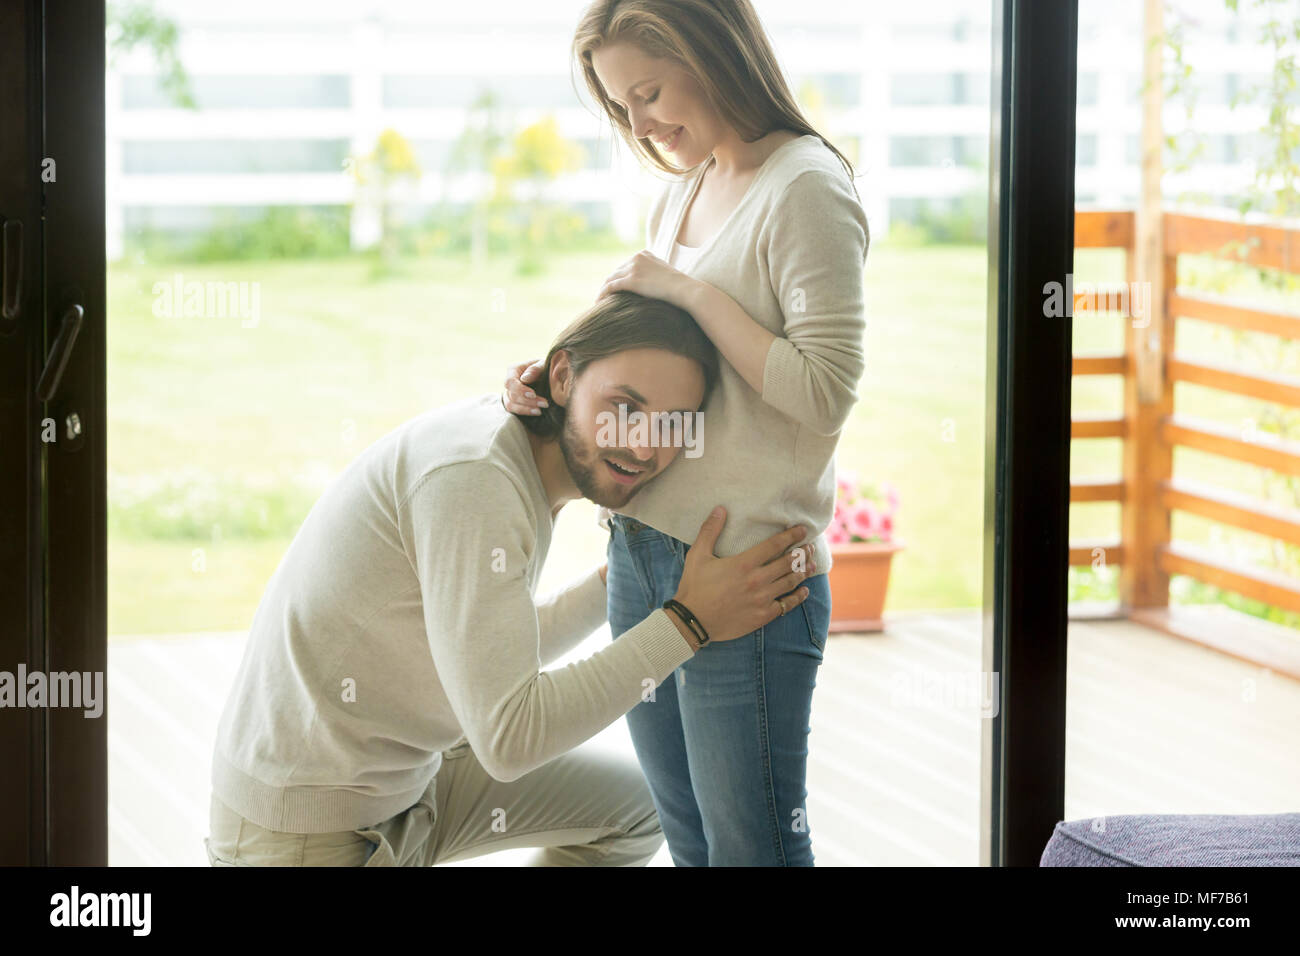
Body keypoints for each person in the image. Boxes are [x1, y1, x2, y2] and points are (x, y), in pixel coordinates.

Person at [204, 291, 817, 867]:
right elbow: (509, 737)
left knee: (636, 812)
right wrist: (688, 623)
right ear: (561, 377)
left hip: (405, 784)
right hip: (307, 830)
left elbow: (492, 648)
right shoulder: (475, 479)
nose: (642, 446)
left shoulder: (521, 456)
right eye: (624, 408)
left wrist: (619, 583)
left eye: (669, 424)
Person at [503, 0, 869, 865]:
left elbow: (824, 391)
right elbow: (646, 354)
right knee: (691, 844)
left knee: (752, 854)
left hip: (744, 574)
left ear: (712, 49)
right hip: (642, 556)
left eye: (650, 91)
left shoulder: (806, 187)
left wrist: (693, 291)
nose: (640, 123)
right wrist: (550, 377)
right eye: (621, 106)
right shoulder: (688, 190)